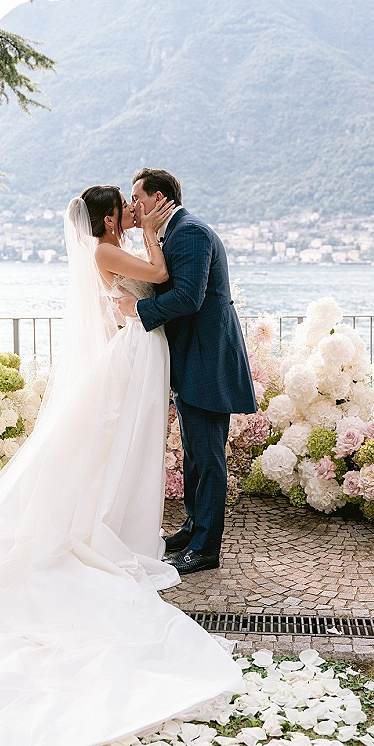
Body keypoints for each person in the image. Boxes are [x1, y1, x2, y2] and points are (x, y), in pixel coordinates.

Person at [0, 185, 242, 746]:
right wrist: (151, 232)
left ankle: (180, 531)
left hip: (143, 354)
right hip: (135, 353)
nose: (136, 208)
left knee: (149, 451)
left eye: (142, 198)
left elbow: (172, 288)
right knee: (124, 450)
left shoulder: (147, 240)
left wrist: (148, 235)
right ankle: (153, 528)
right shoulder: (110, 250)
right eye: (128, 203)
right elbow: (162, 277)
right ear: (112, 215)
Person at [117, 169, 257, 576]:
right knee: (196, 454)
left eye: (137, 197)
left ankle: (205, 548)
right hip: (194, 356)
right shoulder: (173, 231)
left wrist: (137, 310)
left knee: (209, 456)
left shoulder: (190, 232)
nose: (133, 205)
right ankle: (194, 527)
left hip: (207, 359)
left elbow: (189, 297)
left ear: (157, 197)